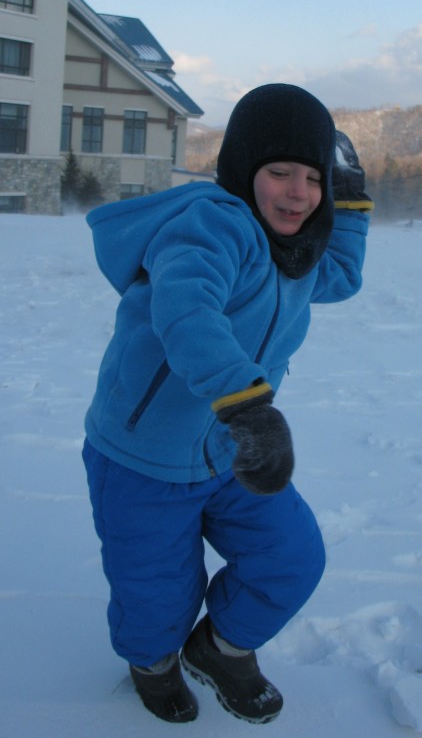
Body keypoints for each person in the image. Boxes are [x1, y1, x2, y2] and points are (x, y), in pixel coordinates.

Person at [82, 83, 373, 725]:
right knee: (155, 593)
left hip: (228, 452)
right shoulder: (211, 226)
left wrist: (349, 204)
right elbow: (188, 311)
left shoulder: (293, 252)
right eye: (279, 173)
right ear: (244, 171)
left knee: (292, 556)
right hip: (143, 460)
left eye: (313, 177)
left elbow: (342, 275)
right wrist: (247, 405)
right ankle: (152, 664)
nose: (298, 192)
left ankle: (219, 649)